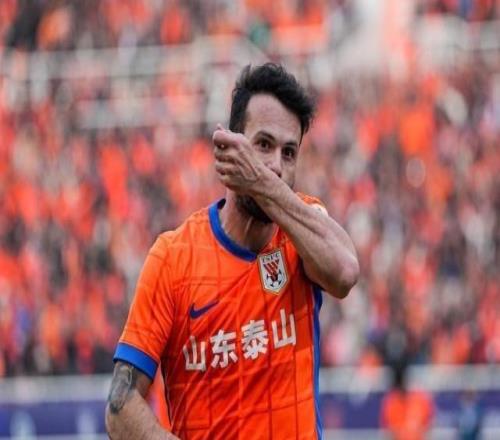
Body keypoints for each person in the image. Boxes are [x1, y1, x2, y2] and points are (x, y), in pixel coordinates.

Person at [105, 63, 359, 439]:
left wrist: (263, 185)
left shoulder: (302, 227)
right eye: (263, 145)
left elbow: (345, 273)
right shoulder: (173, 258)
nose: (276, 165)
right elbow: (120, 407)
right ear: (230, 147)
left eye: (289, 153)